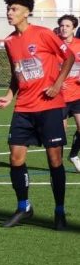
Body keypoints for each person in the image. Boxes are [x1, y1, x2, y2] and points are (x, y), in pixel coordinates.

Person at [0, 0, 74, 230]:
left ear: (27, 12)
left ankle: (59, 212)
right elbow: (16, 73)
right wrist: (9, 96)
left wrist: (58, 84)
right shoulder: (9, 42)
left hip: (49, 106)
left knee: (55, 160)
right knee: (15, 158)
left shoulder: (43, 34)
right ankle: (24, 207)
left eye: (14, 9)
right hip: (23, 108)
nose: (10, 13)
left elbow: (69, 57)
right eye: (9, 9)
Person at [56, 14, 80, 173]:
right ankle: (58, 166)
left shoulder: (79, 45)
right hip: (60, 97)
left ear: (74, 29)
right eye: (62, 26)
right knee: (61, 133)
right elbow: (46, 66)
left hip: (77, 94)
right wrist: (56, 81)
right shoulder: (54, 44)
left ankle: (73, 155)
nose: (64, 28)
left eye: (67, 26)